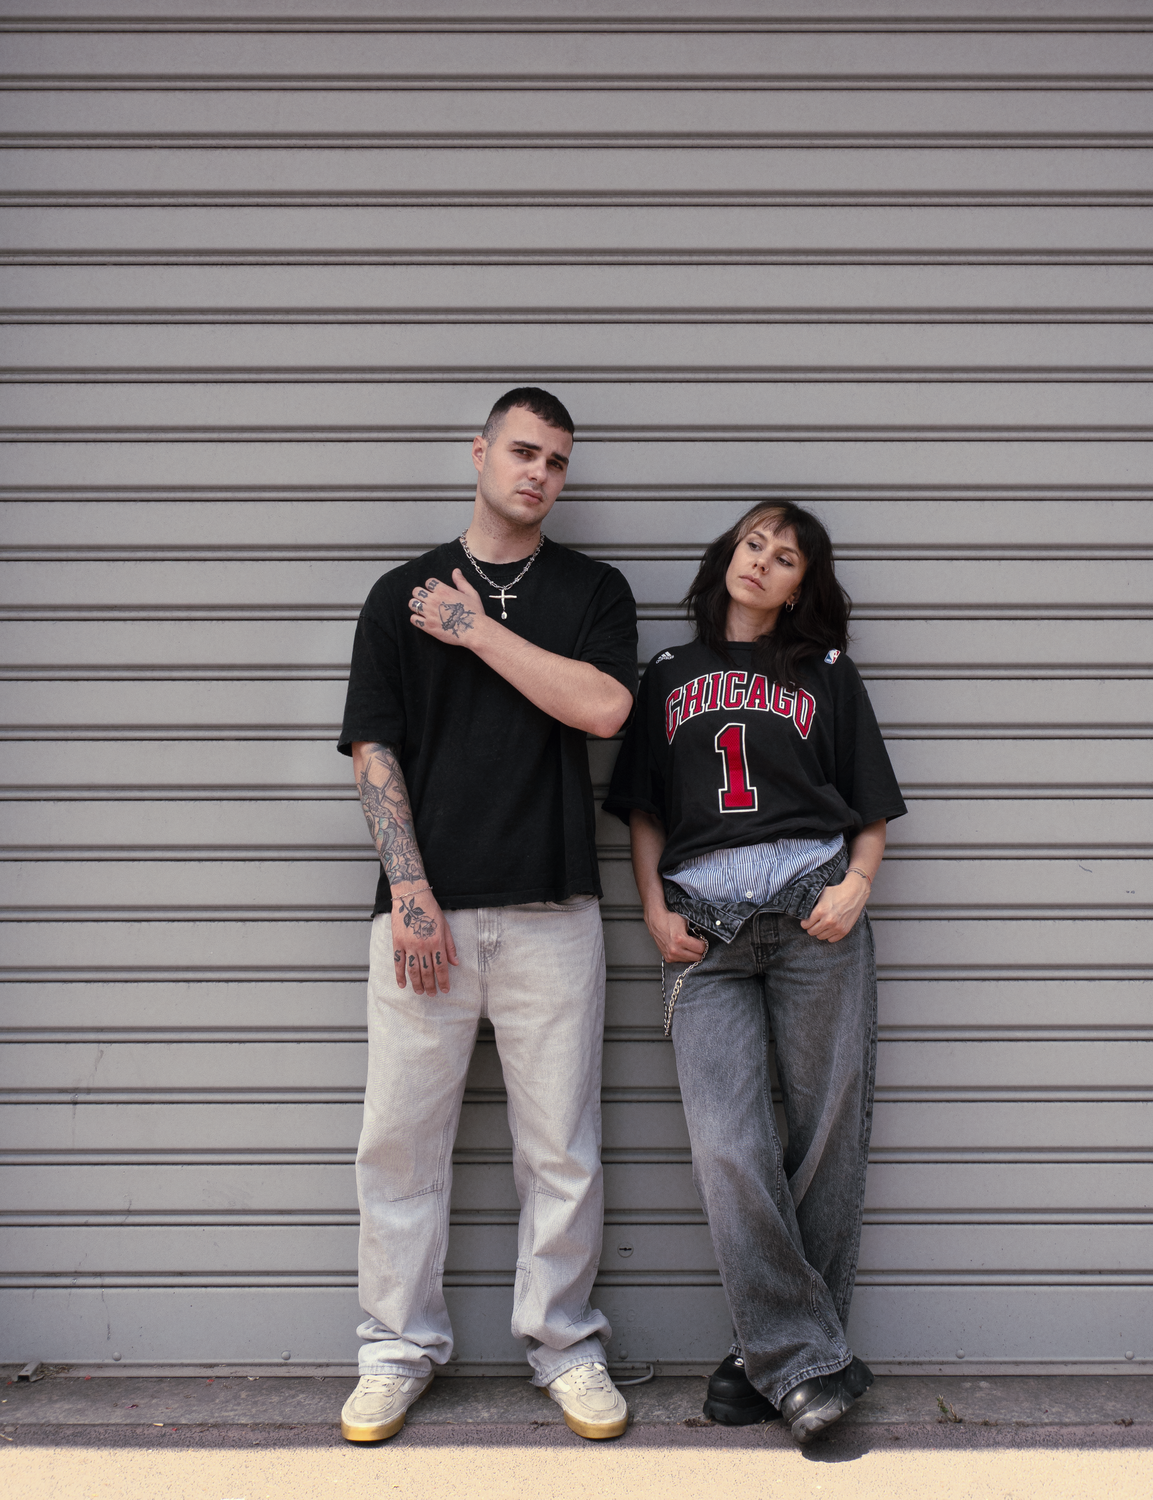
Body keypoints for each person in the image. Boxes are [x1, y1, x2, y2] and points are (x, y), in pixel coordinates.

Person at [336, 387, 639, 1443]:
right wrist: (410, 891)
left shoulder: (593, 591)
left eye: (556, 461)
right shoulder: (398, 594)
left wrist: (474, 631)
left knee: (561, 1150)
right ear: (478, 453)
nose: (539, 474)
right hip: (424, 918)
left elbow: (606, 708)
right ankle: (395, 1350)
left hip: (554, 911)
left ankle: (565, 1345)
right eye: (523, 452)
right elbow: (373, 751)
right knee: (399, 1147)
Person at [603, 502, 906, 1445]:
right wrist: (651, 907)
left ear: (802, 587)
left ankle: (768, 1365)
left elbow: (869, 803)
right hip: (705, 932)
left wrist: (858, 884)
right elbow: (645, 808)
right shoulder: (667, 673)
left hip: (816, 913)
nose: (763, 563)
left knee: (827, 1138)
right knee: (729, 1147)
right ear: (728, 555)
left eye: (786, 559)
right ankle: (808, 1362)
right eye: (754, 545)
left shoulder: (827, 672)